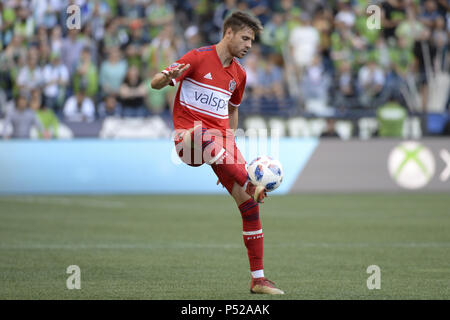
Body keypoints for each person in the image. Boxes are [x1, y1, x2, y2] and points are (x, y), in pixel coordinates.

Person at [150, 11, 284, 295]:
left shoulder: (239, 75)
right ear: (229, 33)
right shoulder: (197, 57)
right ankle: (249, 182)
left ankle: (258, 279)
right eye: (245, 38)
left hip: (218, 143)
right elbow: (155, 83)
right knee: (204, 133)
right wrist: (166, 77)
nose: (249, 45)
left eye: (252, 40)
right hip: (188, 141)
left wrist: (228, 156)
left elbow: (233, 110)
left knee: (249, 206)